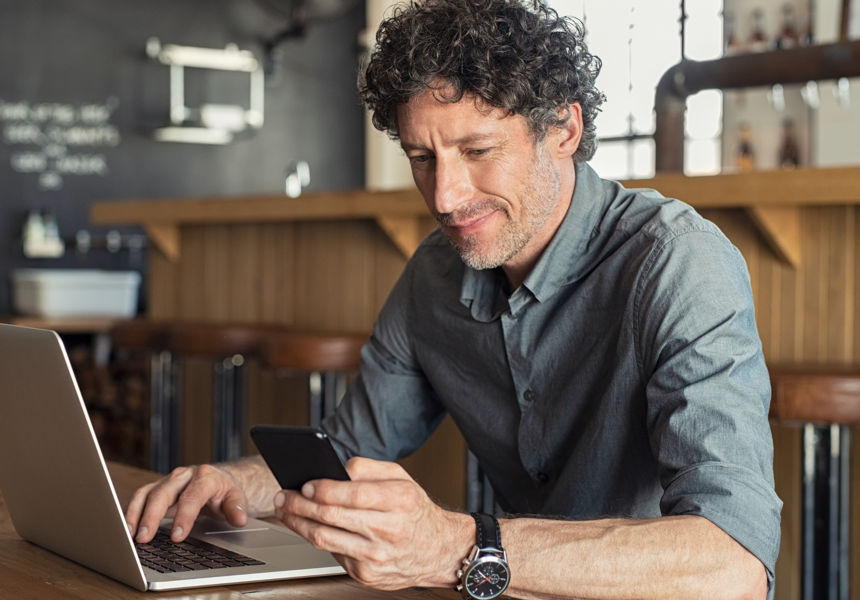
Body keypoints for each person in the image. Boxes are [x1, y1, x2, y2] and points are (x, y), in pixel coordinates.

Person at [126, 1, 782, 598]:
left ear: (563, 128)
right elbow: (351, 451)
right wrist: (235, 484)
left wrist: (460, 548)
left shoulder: (676, 262)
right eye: (421, 157)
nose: (443, 196)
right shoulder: (435, 274)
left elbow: (732, 565)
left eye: (477, 150)